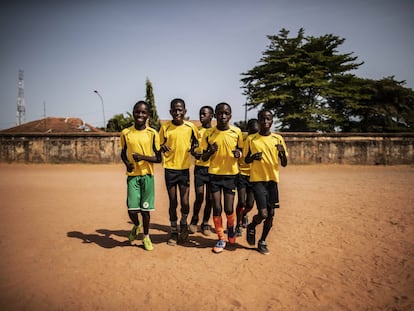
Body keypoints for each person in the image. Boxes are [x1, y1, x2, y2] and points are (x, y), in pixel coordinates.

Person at [243, 109, 288, 255]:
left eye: (268, 119)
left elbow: (285, 163)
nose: (265, 122)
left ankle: (262, 241)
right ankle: (252, 225)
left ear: (272, 121)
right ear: (259, 120)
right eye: (262, 119)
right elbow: (245, 159)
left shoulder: (278, 139)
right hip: (258, 180)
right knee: (263, 213)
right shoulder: (251, 139)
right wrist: (253, 157)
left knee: (271, 214)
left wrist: (282, 153)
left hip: (272, 181)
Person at [201, 102, 243, 254]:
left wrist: (239, 153)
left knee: (229, 208)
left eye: (226, 113)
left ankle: (230, 228)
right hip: (214, 174)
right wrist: (210, 151)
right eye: (220, 113)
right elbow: (203, 157)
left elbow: (241, 150)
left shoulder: (237, 132)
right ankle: (220, 237)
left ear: (230, 115)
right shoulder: (209, 133)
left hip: (231, 175)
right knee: (217, 207)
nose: (223, 116)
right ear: (215, 115)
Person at [120, 101, 162, 251]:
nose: (140, 115)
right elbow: (122, 153)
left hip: (148, 176)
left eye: (144, 112)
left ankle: (146, 237)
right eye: (137, 112)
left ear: (148, 115)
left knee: (145, 210)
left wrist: (143, 157)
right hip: (133, 176)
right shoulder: (126, 133)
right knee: (132, 210)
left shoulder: (152, 133)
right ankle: (137, 225)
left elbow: (159, 159)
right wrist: (127, 163)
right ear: (133, 113)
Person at [159, 98, 200, 246]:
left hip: (184, 169)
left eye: (180, 109)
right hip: (170, 169)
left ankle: (183, 223)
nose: (177, 112)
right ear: (170, 111)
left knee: (184, 202)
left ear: (185, 111)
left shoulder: (190, 127)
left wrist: (195, 147)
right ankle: (173, 231)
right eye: (174, 110)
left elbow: (198, 142)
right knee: (173, 202)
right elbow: (159, 144)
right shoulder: (165, 128)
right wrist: (162, 146)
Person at [189, 106, 214, 236]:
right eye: (200, 114)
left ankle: (205, 223)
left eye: (204, 114)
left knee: (210, 198)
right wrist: (194, 152)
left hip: (212, 169)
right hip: (199, 168)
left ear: (211, 116)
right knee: (199, 196)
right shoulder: (196, 130)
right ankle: (194, 220)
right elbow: (192, 147)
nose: (201, 116)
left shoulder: (215, 132)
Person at [235, 118, 259, 237]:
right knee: (241, 201)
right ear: (248, 130)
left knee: (250, 204)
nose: (254, 134)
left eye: (256, 131)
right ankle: (238, 225)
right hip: (241, 174)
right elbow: (237, 152)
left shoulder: (260, 140)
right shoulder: (242, 140)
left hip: (255, 176)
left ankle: (244, 214)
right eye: (252, 131)